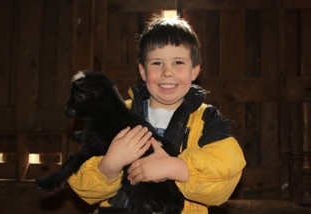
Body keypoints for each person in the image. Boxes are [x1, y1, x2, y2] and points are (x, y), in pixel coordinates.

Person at [67, 15, 246, 214]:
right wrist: (110, 164)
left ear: (195, 71)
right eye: (157, 63)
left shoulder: (208, 120)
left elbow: (227, 171)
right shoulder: (116, 115)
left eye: (178, 62)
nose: (167, 72)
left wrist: (175, 168)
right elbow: (81, 181)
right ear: (142, 71)